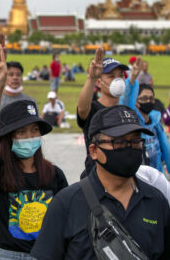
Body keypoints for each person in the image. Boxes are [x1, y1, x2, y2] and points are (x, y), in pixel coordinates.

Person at [31, 105, 170, 259]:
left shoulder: (156, 201)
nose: (129, 148)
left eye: (135, 141)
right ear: (94, 151)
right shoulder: (66, 203)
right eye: (119, 142)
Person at [0, 42, 68, 259]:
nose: (29, 137)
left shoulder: (54, 174)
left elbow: (64, 222)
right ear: (10, 138)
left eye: (34, 131)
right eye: (21, 132)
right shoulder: (0, 171)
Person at [77, 49, 140, 176]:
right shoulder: (93, 108)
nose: (118, 80)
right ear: (99, 82)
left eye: (121, 75)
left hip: (123, 175)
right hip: (97, 176)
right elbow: (83, 110)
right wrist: (91, 78)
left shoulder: (125, 111)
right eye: (111, 76)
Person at [122, 83, 170, 173]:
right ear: (136, 101)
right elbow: (125, 102)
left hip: (158, 175)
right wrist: (132, 80)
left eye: (151, 98)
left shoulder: (156, 123)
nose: (148, 101)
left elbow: (166, 148)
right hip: (139, 177)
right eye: (144, 98)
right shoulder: (132, 124)